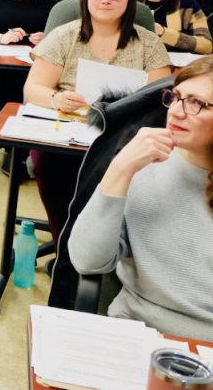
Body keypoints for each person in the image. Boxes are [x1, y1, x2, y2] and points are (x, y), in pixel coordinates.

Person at [24, 0, 172, 245]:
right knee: (51, 165)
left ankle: (105, 247)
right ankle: (65, 245)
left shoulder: (148, 43)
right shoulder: (64, 36)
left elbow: (159, 100)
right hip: (68, 131)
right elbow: (33, 88)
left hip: (126, 135)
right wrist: (57, 98)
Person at [68, 56, 213, 341]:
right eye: (176, 98)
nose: (177, 112)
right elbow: (87, 261)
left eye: (196, 103)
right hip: (137, 333)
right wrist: (120, 168)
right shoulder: (143, 162)